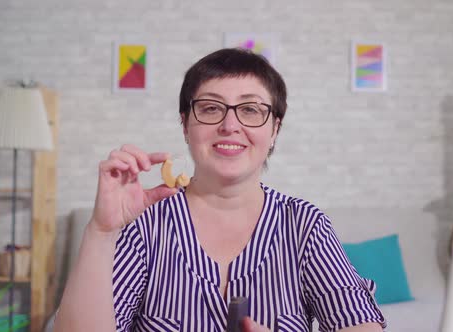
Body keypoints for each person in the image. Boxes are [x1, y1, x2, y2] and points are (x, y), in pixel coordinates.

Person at [54, 48, 386, 332]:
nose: (230, 125)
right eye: (211, 108)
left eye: (250, 110)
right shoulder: (144, 225)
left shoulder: (304, 224)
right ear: (186, 125)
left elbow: (356, 319)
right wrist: (102, 231)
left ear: (274, 130)